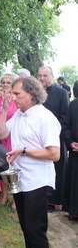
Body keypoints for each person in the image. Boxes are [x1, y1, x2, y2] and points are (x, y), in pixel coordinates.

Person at [0, 76, 61, 248]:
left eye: (17, 93)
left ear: (31, 94)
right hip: (20, 180)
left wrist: (24, 151)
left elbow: (54, 153)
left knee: (35, 231)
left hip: (37, 181)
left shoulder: (45, 118)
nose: (13, 98)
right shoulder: (18, 114)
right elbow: (1, 134)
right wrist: (3, 110)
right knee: (26, 228)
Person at [37, 66, 70, 212]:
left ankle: (53, 200)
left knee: (57, 168)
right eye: (40, 76)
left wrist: (53, 132)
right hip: (37, 138)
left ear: (52, 76)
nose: (42, 78)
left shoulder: (61, 93)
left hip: (56, 137)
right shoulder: (35, 93)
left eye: (45, 75)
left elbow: (65, 116)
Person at [0, 73, 18, 210]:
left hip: (12, 138)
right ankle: (4, 196)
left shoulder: (17, 100)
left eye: (9, 82)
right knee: (2, 167)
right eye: (3, 82)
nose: (6, 85)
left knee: (13, 168)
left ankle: (15, 199)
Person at [63, 81, 78, 221]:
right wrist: (71, 142)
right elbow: (66, 126)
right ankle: (74, 211)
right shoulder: (73, 105)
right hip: (76, 150)